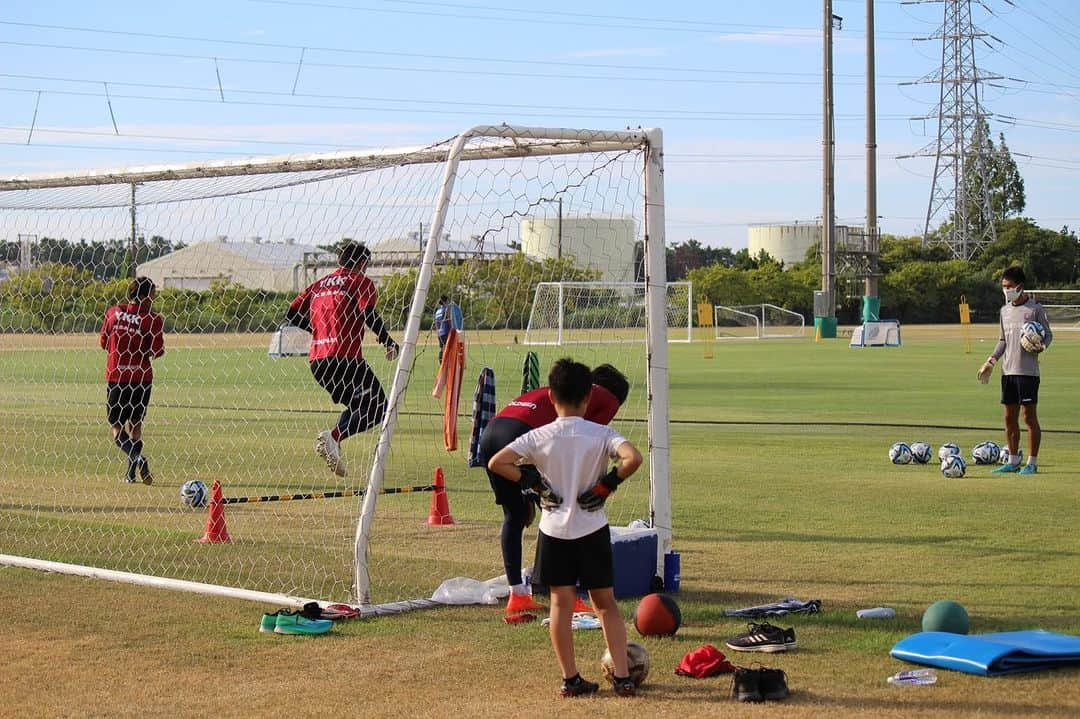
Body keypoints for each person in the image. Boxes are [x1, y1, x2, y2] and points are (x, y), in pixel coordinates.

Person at [488, 358, 643, 698]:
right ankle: (622, 677)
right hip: (592, 528)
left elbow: (496, 462)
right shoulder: (601, 433)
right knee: (606, 605)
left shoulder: (539, 435)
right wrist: (607, 484)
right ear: (589, 397)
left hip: (554, 530)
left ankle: (571, 679)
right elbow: (633, 458)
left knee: (560, 604)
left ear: (551, 396)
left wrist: (534, 484)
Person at [478, 363, 630, 614]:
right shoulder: (606, 398)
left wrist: (531, 485)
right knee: (560, 510)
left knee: (515, 516)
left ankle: (518, 594)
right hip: (521, 435)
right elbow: (584, 439)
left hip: (492, 434)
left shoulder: (556, 390)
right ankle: (563, 591)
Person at [286, 240, 399, 477]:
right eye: (366, 265)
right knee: (379, 408)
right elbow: (368, 313)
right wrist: (387, 340)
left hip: (318, 362)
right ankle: (333, 437)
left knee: (359, 406)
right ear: (361, 263)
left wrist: (316, 330)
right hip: (345, 358)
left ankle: (334, 442)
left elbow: (291, 313)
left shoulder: (319, 284)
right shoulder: (360, 282)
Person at [978, 266, 1053, 475]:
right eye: (1003, 287)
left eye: (1009, 286)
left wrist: (1041, 345)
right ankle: (1012, 460)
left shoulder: (1035, 309)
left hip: (1028, 372)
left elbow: (1048, 335)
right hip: (1008, 372)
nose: (1006, 290)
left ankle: (1032, 462)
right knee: (1009, 418)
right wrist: (990, 361)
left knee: (1029, 417)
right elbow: (1002, 340)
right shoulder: (1004, 311)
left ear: (1020, 286)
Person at [99, 277, 165, 485]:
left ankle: (135, 463)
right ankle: (131, 471)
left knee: (116, 427)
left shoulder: (112, 312)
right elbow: (157, 351)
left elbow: (103, 342)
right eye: (153, 294)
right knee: (135, 425)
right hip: (141, 379)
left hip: (117, 377)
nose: (155, 298)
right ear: (145, 296)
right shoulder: (152, 319)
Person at [433, 295, 452, 362]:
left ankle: (441, 362)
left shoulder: (437, 311)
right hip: (446, 331)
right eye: (448, 300)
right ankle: (446, 363)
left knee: (442, 348)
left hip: (440, 333)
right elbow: (449, 319)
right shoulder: (446, 309)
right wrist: (452, 328)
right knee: (448, 348)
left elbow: (435, 323)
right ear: (446, 301)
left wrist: (438, 331)